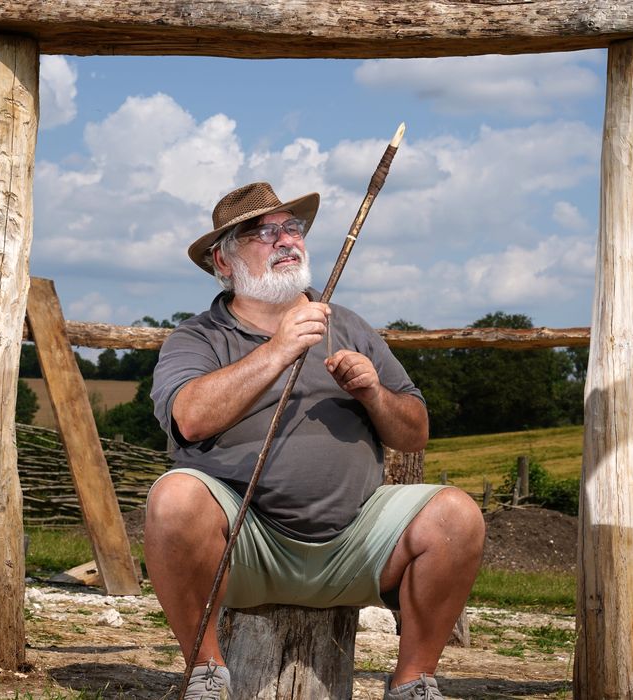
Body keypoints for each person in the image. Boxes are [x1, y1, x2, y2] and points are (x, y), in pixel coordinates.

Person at [147, 182, 485, 700]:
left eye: (292, 228)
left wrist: (374, 392)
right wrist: (278, 350)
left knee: (457, 515)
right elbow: (189, 419)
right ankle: (206, 673)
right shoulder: (198, 337)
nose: (285, 240)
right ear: (222, 261)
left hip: (357, 544)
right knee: (173, 498)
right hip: (243, 545)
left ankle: (413, 680)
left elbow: (414, 432)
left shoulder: (348, 325)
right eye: (262, 232)